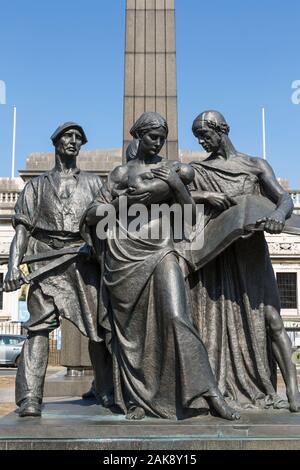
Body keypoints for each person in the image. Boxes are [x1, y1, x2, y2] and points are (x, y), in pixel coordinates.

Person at [84, 112, 240, 421]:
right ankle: (137, 399)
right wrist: (128, 201)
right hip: (123, 256)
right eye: (153, 136)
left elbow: (188, 214)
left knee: (177, 315)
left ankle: (210, 392)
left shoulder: (170, 171)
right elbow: (92, 216)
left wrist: (171, 185)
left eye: (162, 138)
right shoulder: (119, 174)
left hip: (161, 250)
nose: (158, 143)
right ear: (139, 136)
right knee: (133, 334)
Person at [189, 110, 300, 411]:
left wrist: (278, 216)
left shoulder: (255, 165)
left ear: (221, 129)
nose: (201, 141)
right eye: (197, 136)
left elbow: (284, 199)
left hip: (252, 253)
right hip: (217, 257)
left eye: (204, 134)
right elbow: (179, 200)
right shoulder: (199, 171)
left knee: (272, 320)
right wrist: (205, 196)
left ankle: (291, 390)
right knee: (215, 326)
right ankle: (220, 387)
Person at [4, 122, 112, 417]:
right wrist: (13, 266)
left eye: (78, 138)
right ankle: (30, 397)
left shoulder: (93, 184)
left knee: (99, 330)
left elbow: (105, 227)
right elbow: (22, 232)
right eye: (68, 137)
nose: (74, 142)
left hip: (81, 260)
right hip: (46, 262)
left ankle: (105, 389)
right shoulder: (36, 186)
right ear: (56, 142)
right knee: (38, 329)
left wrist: (97, 246)